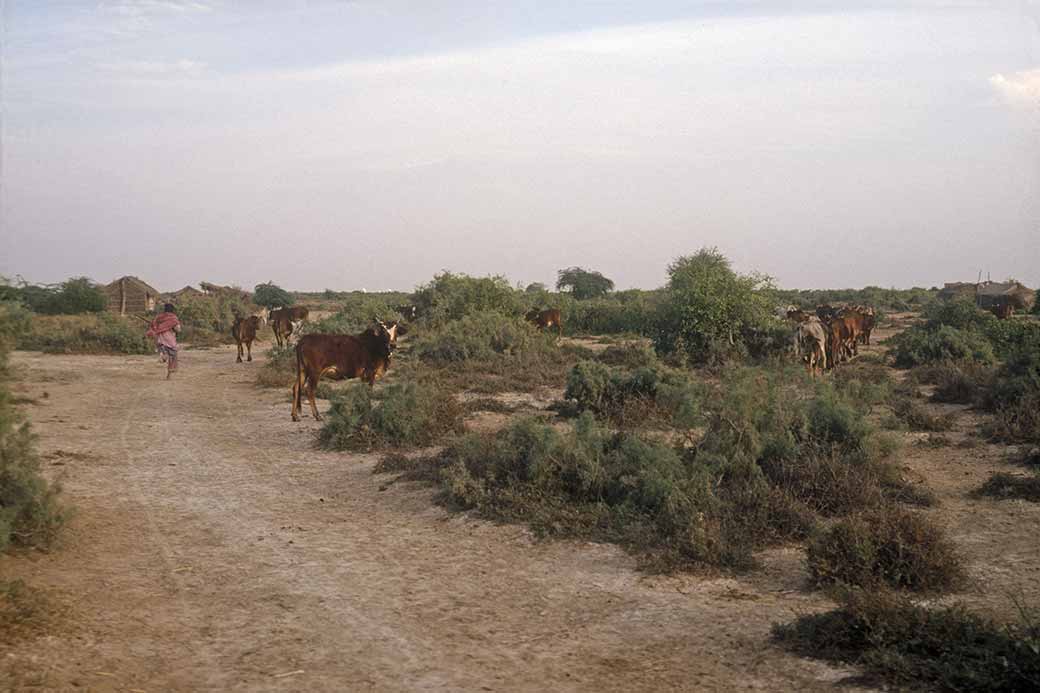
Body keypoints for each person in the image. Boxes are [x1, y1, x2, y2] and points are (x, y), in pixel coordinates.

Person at [146, 303, 181, 379]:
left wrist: (156, 326)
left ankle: (163, 355)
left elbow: (153, 325)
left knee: (161, 348)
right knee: (173, 354)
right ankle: (169, 374)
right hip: (169, 338)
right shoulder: (173, 318)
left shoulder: (159, 317)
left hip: (160, 337)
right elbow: (178, 329)